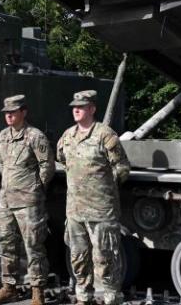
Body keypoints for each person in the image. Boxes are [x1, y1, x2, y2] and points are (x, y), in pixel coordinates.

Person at [57, 90, 131, 305]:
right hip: (75, 210)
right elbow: (62, 159)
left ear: (92, 109)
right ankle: (83, 297)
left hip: (101, 210)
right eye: (74, 107)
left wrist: (104, 186)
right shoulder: (67, 136)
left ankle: (111, 298)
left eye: (80, 106)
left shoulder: (105, 135)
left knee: (105, 258)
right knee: (78, 257)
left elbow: (123, 167)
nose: (76, 110)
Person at [0, 95, 55, 305]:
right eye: (6, 113)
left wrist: (35, 188)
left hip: (28, 202)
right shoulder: (3, 137)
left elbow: (47, 166)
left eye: (13, 112)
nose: (8, 116)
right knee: (5, 245)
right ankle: (9, 288)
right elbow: (0, 162)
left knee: (33, 247)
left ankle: (37, 291)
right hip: (6, 201)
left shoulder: (35, 136)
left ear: (23, 112)